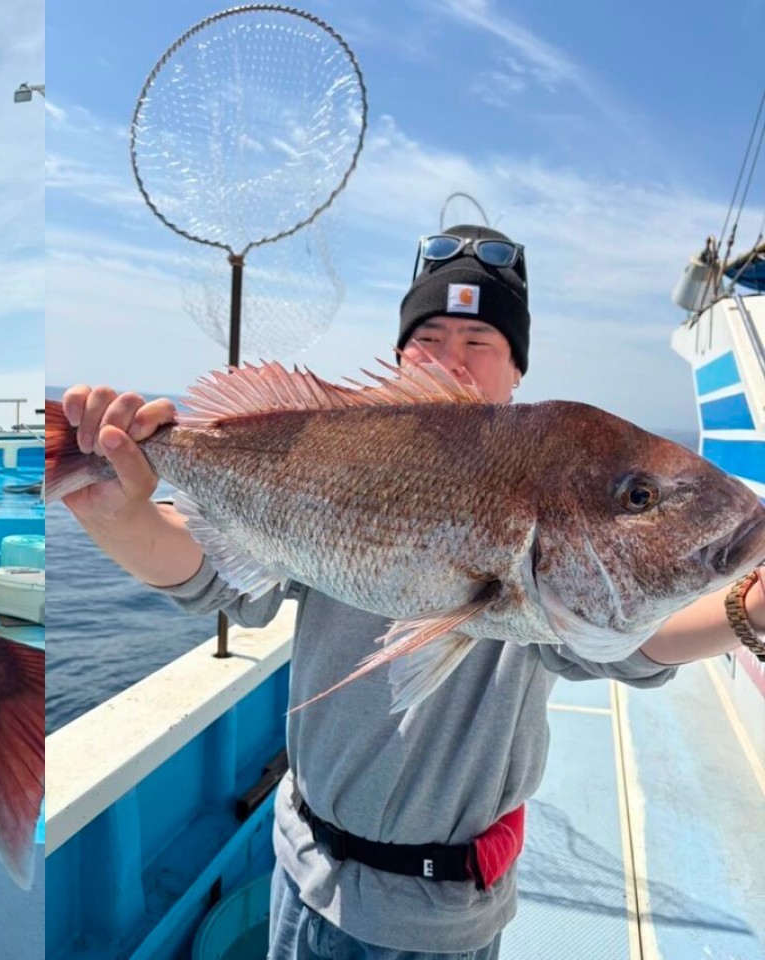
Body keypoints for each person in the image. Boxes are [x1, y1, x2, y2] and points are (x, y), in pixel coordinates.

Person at [60, 224, 765, 959]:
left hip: (453, 915)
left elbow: (638, 635)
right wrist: (115, 511)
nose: (451, 359)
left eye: (480, 342)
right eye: (428, 337)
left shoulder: (552, 566)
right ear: (401, 355)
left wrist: (749, 609)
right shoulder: (351, 452)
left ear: (517, 371)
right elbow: (213, 578)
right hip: (309, 877)